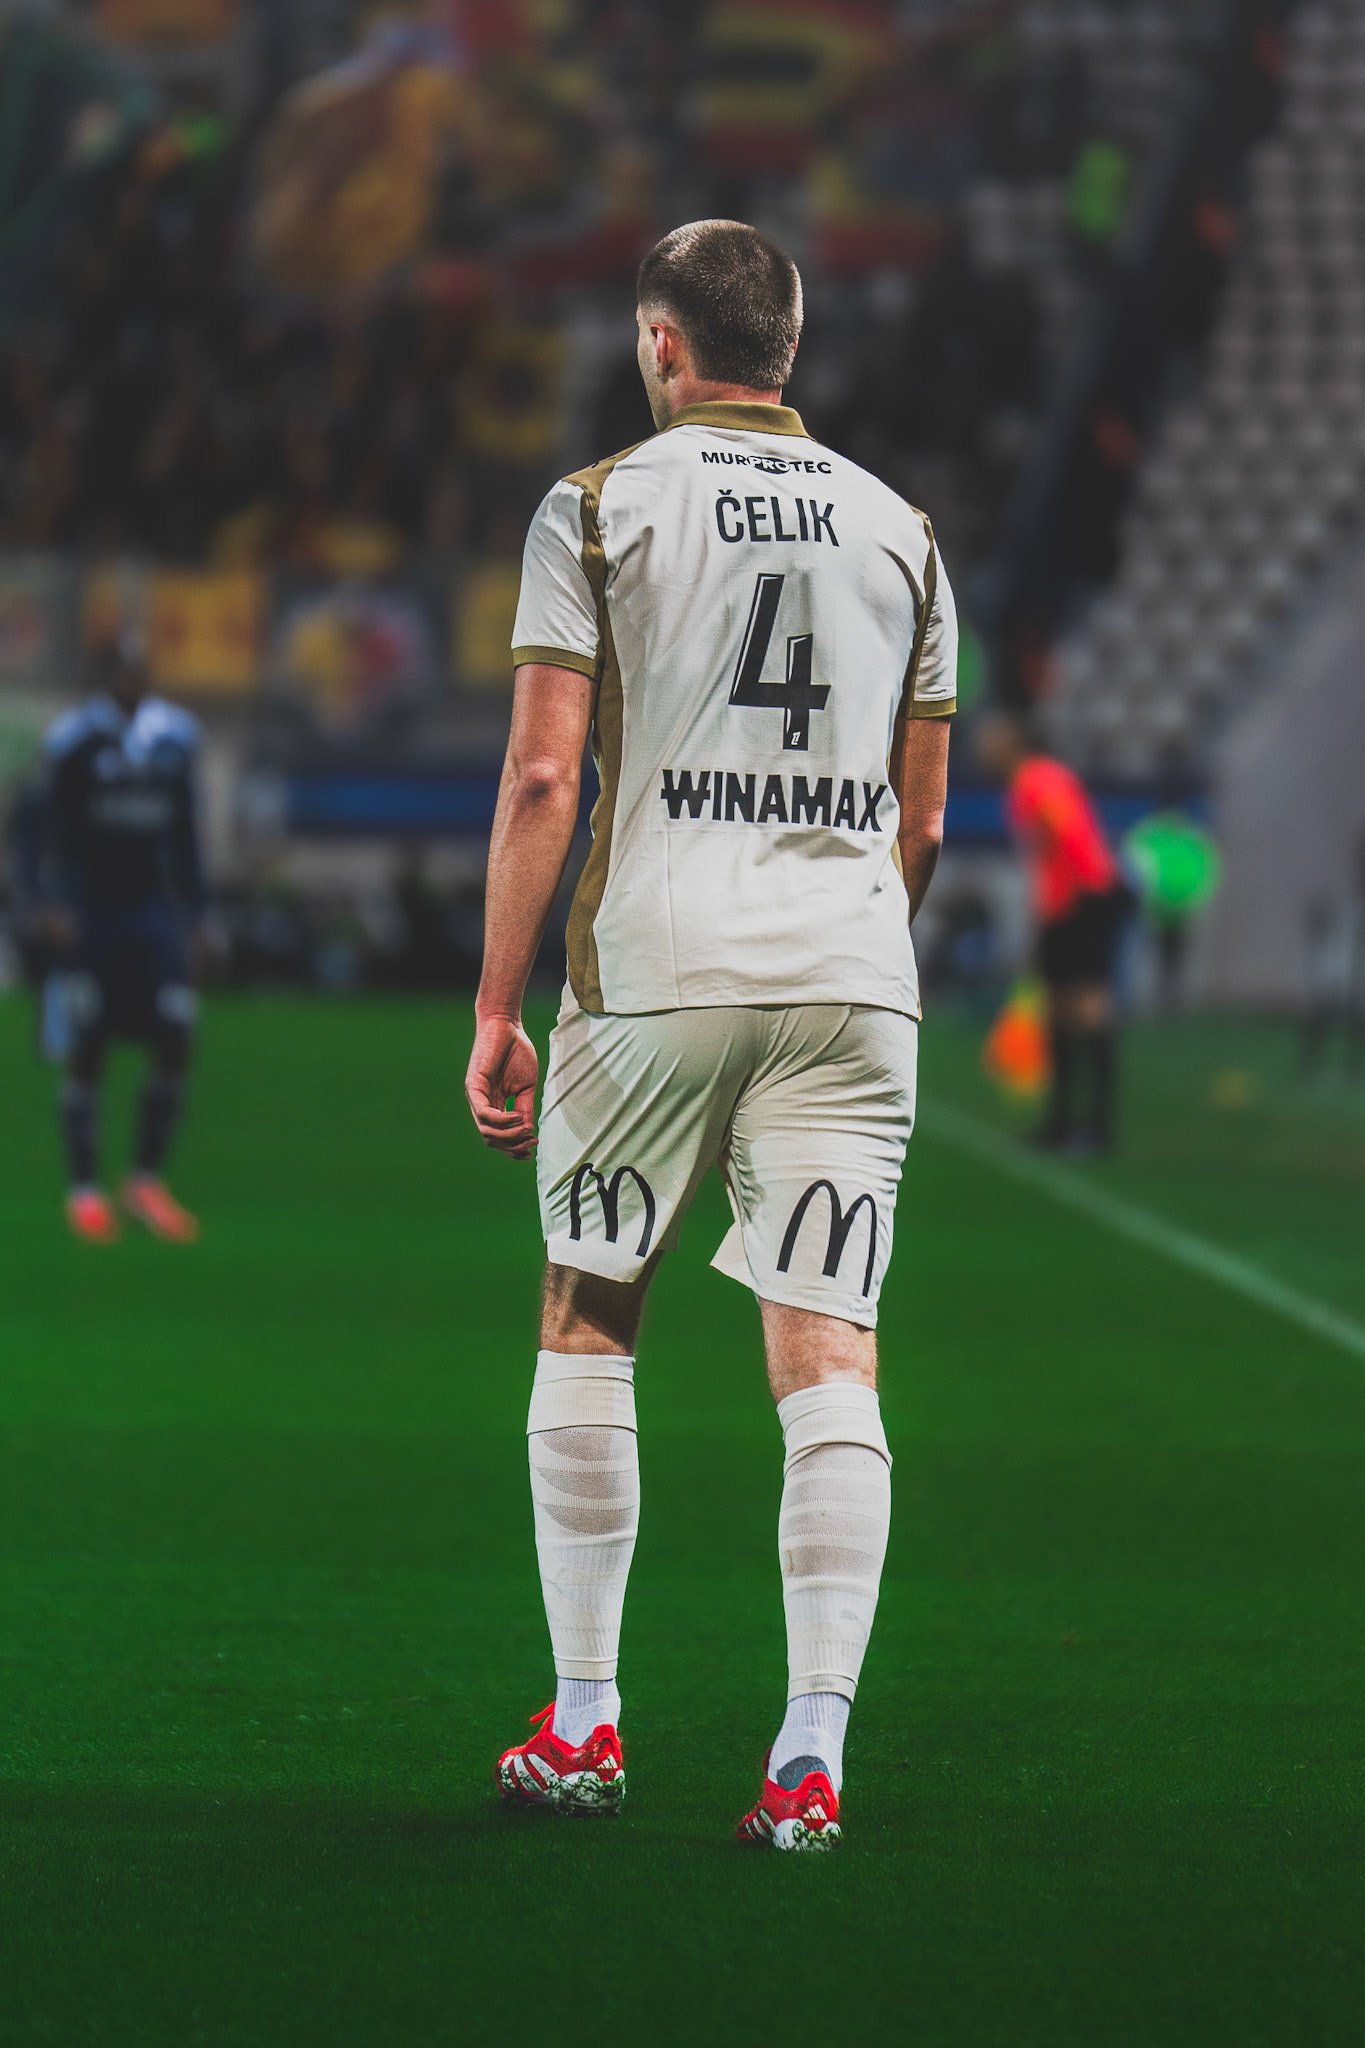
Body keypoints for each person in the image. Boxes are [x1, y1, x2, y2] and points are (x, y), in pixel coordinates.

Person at [464, 220, 956, 1852]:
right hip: (851, 979)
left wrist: (497, 1002)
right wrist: (845, 940)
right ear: (788, 349)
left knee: (590, 1318)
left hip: (657, 972)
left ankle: (585, 1723)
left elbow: (546, 774)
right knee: (831, 1360)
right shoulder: (905, 534)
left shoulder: (598, 505)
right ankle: (809, 1755)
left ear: (663, 344)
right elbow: (923, 820)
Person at [28, 627, 208, 1243]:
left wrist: (197, 914)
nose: (133, 679)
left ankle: (145, 1181)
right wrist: (48, 901)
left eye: (140, 668)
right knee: (90, 1045)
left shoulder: (176, 737)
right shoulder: (74, 740)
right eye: (123, 670)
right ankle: (84, 1190)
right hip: (92, 912)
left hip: (153, 912)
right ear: (107, 675)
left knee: (176, 1032)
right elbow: (34, 827)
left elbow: (186, 833)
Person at [976, 711, 1131, 1155]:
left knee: (1087, 1009)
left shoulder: (1037, 779)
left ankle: (1097, 1129)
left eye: (991, 738)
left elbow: (1070, 836)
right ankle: (1063, 1124)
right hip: (1073, 903)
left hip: (1085, 900)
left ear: (1014, 741)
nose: (982, 749)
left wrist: (1071, 906)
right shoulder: (1029, 783)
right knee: (1060, 1013)